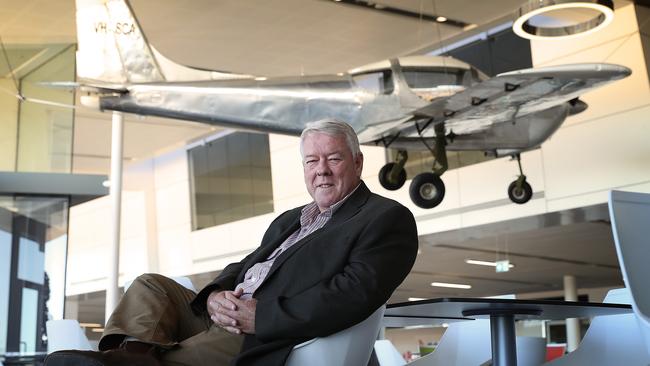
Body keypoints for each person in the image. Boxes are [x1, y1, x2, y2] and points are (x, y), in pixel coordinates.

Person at [45, 119, 418, 366]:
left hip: (266, 334)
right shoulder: (291, 219)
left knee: (171, 359)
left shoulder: (385, 218)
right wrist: (214, 295)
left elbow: (352, 294)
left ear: (357, 161)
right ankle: (133, 356)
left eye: (333, 158)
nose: (321, 169)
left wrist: (262, 317)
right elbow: (244, 268)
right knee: (149, 284)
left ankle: (123, 360)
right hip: (225, 313)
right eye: (311, 161)